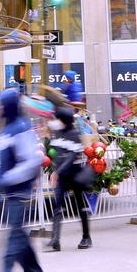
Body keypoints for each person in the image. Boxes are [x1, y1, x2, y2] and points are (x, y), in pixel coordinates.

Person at [0, 89, 44, 272]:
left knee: (12, 236)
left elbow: (31, 161)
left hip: (19, 191)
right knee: (18, 234)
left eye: (0, 105)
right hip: (10, 191)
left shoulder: (21, 129)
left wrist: (8, 178)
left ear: (8, 106)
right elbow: (4, 160)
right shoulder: (6, 130)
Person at [45, 106, 92, 251]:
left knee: (80, 205)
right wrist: (55, 169)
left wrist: (58, 171)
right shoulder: (57, 133)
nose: (56, 121)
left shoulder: (74, 134)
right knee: (57, 205)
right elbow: (57, 155)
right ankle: (55, 238)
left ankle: (86, 236)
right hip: (63, 176)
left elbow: (71, 157)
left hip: (75, 174)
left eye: (58, 119)